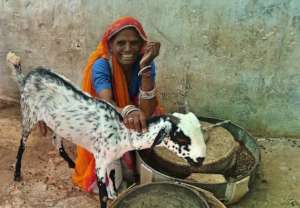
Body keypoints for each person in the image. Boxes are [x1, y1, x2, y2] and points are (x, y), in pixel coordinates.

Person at [72, 16, 163, 193]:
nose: (128, 49)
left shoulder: (145, 63)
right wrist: (128, 111)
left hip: (136, 117)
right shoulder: (101, 65)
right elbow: (106, 103)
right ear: (110, 46)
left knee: (158, 130)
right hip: (108, 117)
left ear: (142, 45)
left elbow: (147, 109)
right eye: (121, 43)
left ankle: (139, 163)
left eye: (134, 43)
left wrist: (145, 67)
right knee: (111, 181)